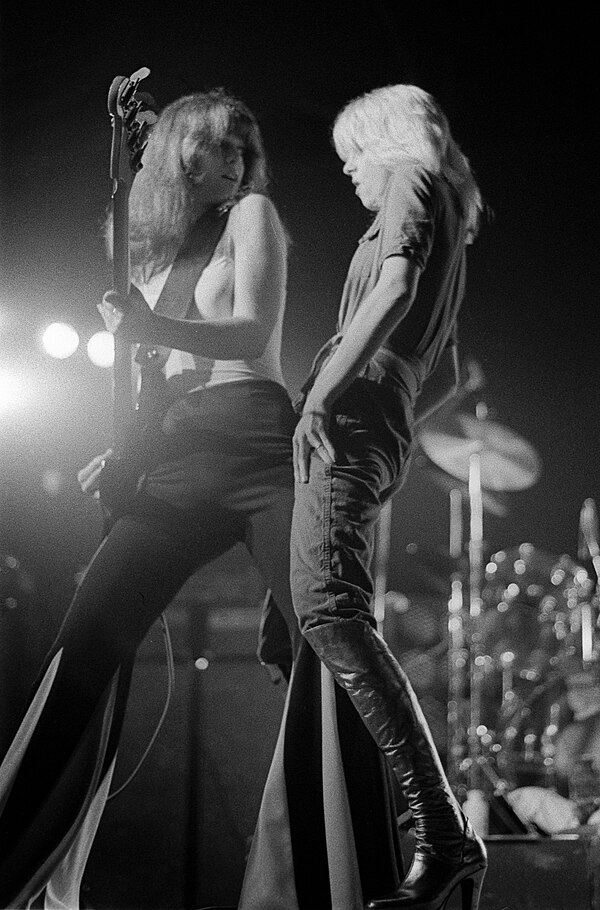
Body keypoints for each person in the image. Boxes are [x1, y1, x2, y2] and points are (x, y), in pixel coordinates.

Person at [0, 88, 301, 909]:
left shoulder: (254, 218)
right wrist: (125, 449)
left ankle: (327, 874)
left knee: (322, 650)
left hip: (257, 449)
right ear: (177, 155)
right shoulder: (149, 262)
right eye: (218, 145)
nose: (236, 158)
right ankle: (17, 866)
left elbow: (251, 338)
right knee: (84, 646)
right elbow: (147, 379)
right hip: (175, 460)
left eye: (245, 145)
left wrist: (145, 330)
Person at [288, 84, 488, 910]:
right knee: (315, 610)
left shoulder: (410, 177)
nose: (349, 174)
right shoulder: (436, 198)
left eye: (350, 155)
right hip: (372, 403)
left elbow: (395, 287)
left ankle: (442, 837)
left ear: (384, 141)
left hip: (356, 403)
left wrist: (320, 394)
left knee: (332, 610)